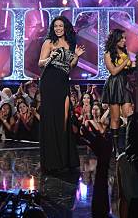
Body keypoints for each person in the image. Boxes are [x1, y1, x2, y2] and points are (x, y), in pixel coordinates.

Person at [37, 16, 85, 173]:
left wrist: (76, 55)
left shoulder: (70, 44)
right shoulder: (49, 42)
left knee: (64, 119)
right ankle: (52, 161)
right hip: (49, 81)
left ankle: (65, 159)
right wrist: (50, 58)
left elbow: (70, 66)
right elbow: (40, 63)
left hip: (63, 81)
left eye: (61, 26)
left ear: (65, 28)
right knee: (51, 120)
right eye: (55, 26)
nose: (58, 28)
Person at [102, 28, 135, 155]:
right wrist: (126, 62)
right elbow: (114, 71)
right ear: (115, 39)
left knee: (129, 115)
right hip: (114, 85)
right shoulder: (108, 54)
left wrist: (133, 66)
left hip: (125, 84)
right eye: (122, 38)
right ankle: (116, 149)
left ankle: (129, 145)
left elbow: (126, 71)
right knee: (115, 118)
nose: (124, 40)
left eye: (125, 38)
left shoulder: (124, 52)